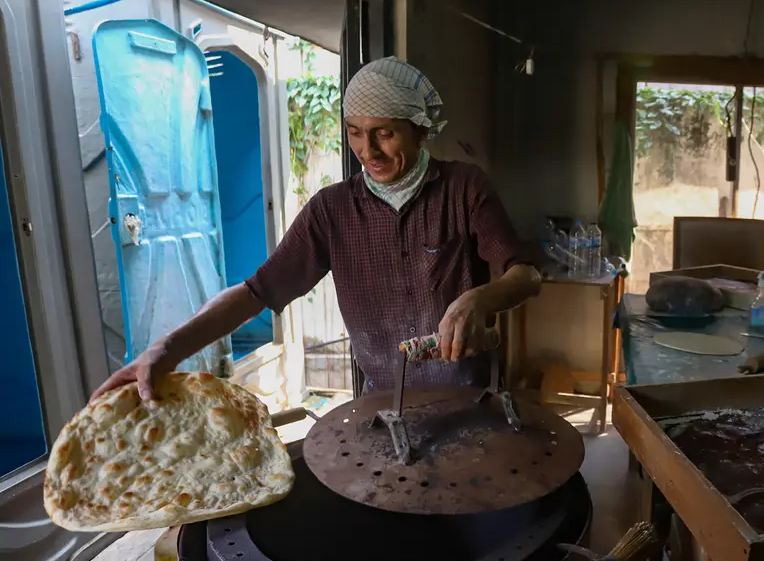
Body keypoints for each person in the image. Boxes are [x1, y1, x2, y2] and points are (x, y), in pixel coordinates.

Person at [93, 57, 541, 400]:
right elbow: (257, 292)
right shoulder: (332, 212)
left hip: (469, 399)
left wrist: (477, 298)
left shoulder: (464, 189)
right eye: (354, 133)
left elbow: (526, 275)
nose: (368, 151)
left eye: (384, 133)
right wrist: (166, 351)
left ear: (421, 131)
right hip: (383, 406)